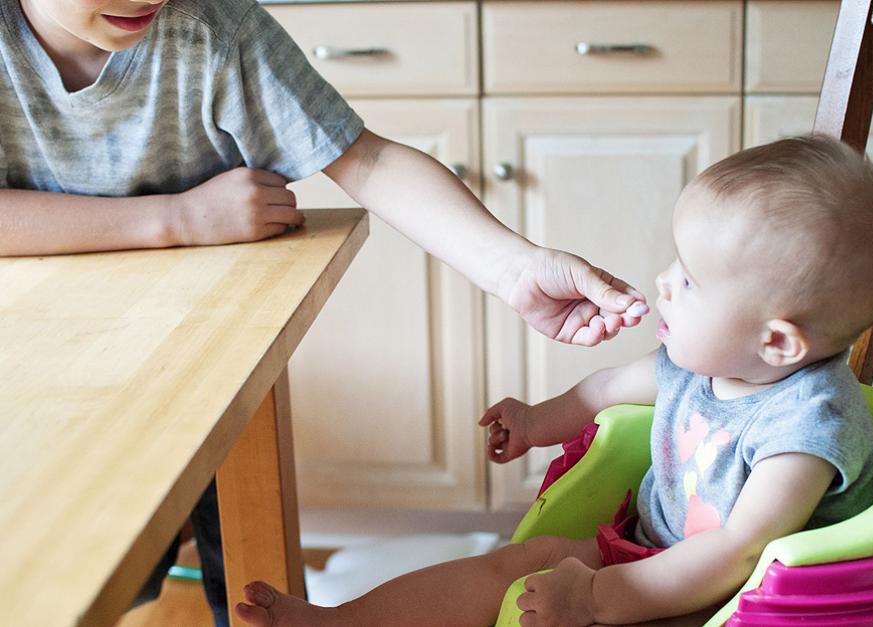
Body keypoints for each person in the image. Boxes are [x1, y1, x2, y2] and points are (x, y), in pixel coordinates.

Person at [0, 0, 650, 624]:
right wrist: (179, 218)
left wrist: (514, 269)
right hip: (40, 362)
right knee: (83, 566)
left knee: (239, 558)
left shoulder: (213, 27)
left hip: (204, 350)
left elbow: (364, 158)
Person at [235, 135, 873, 626]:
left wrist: (594, 598)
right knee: (516, 562)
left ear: (776, 341)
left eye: (691, 281)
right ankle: (342, 621)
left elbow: (739, 554)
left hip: (736, 602)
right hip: (649, 550)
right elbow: (605, 388)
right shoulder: (704, 363)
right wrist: (535, 420)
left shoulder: (803, 431)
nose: (663, 282)